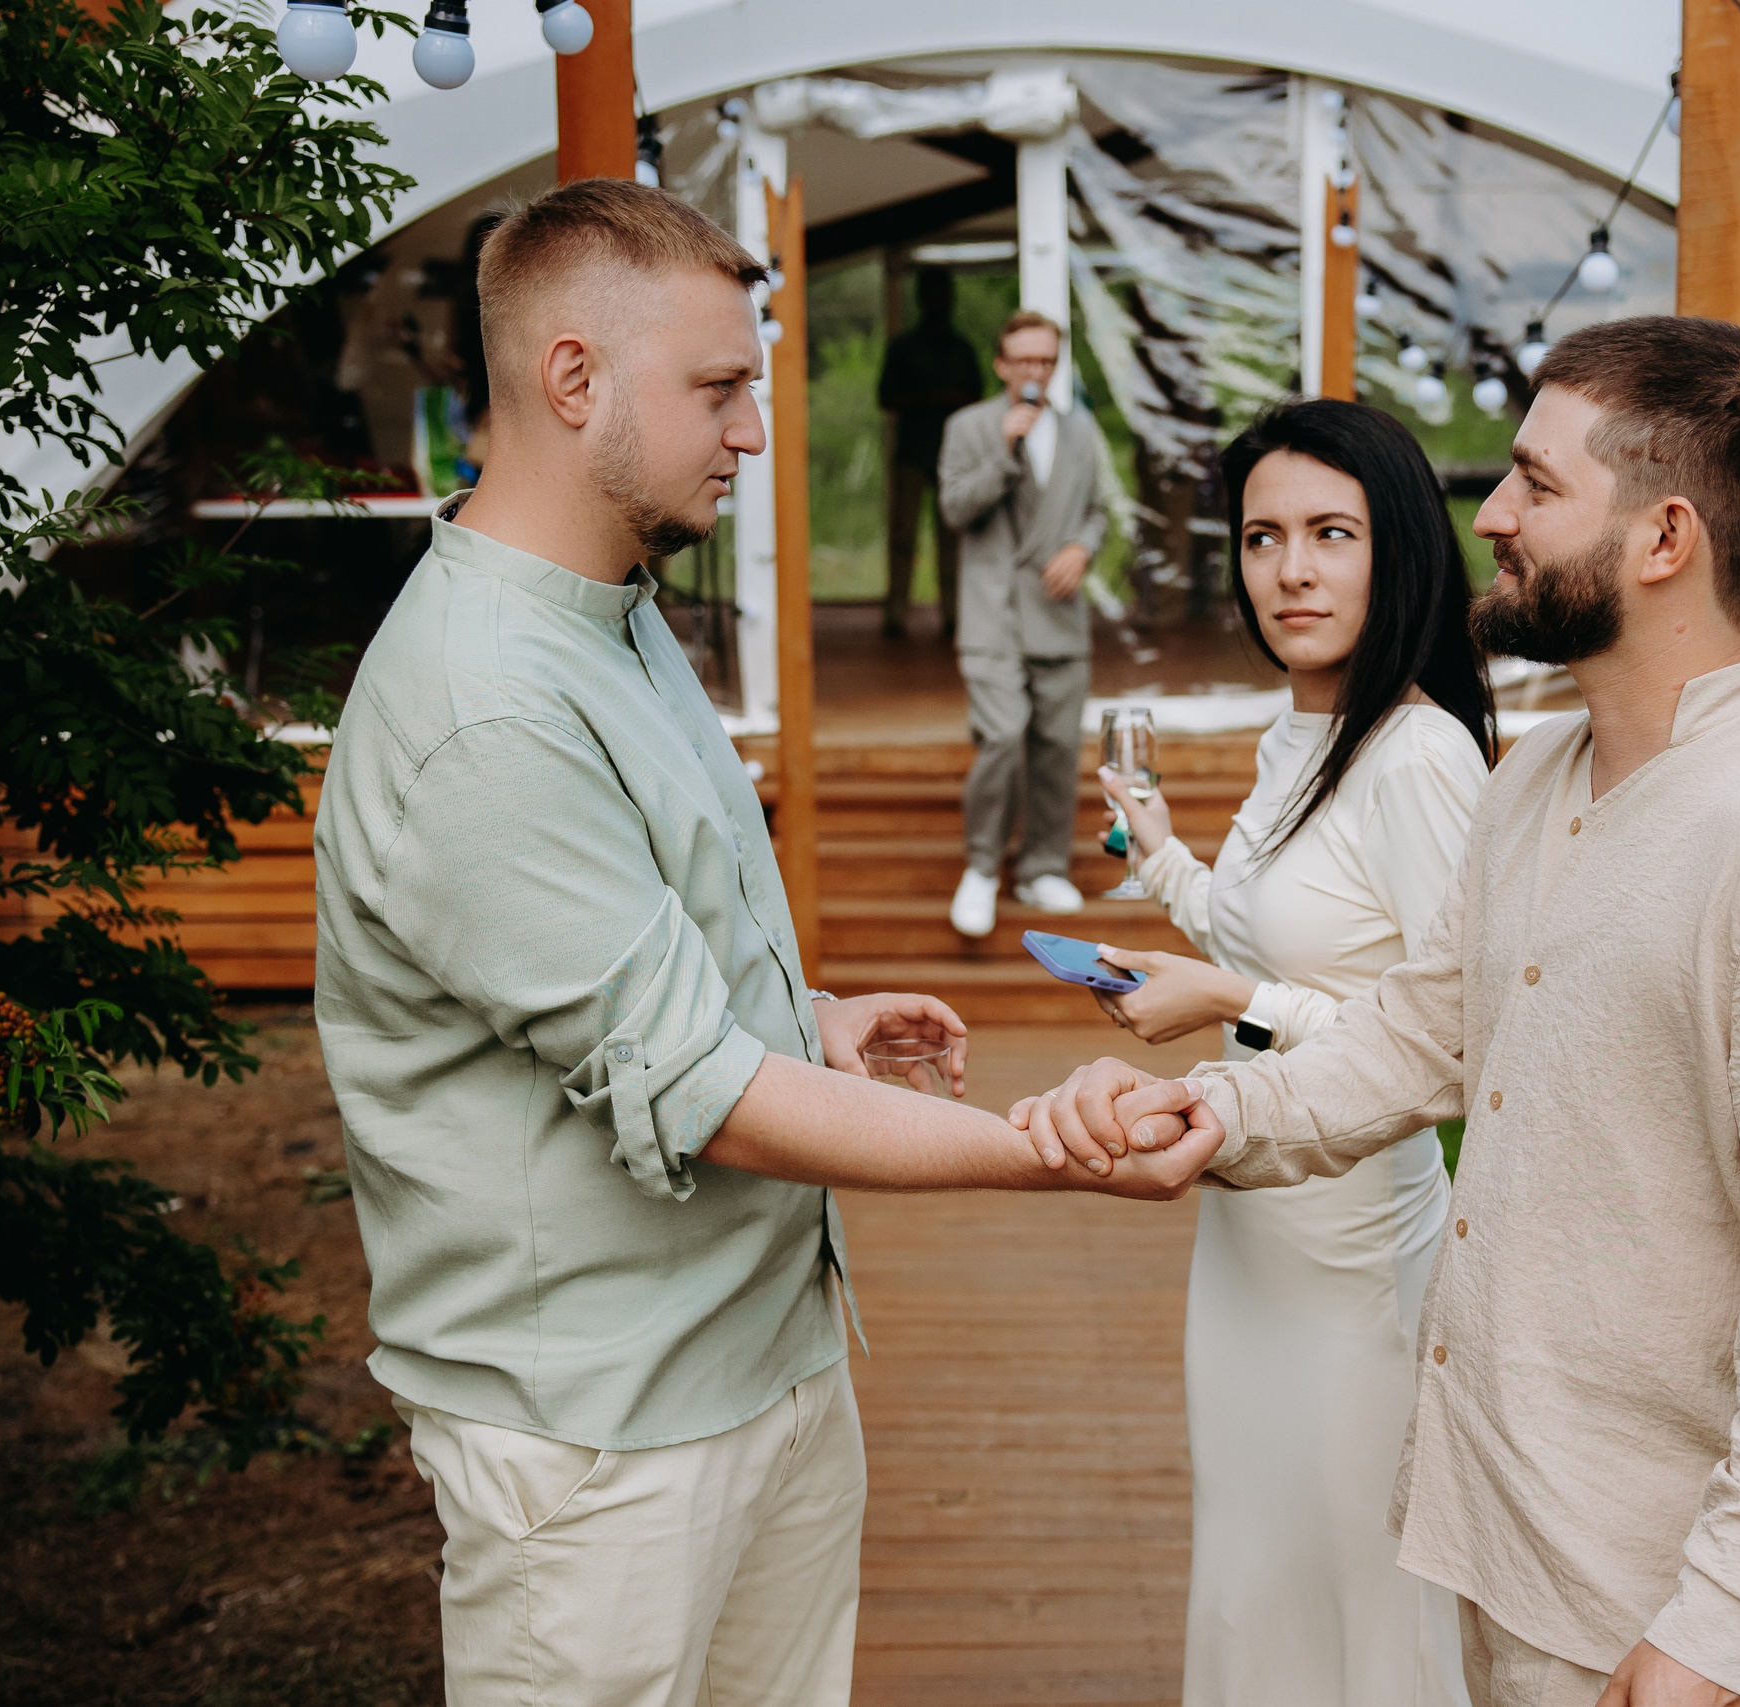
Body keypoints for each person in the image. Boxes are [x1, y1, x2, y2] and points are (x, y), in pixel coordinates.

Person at [311, 180, 1218, 1707]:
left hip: (770, 1361)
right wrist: (1048, 1151)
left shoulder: (614, 605)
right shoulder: (483, 705)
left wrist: (808, 1009)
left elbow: (640, 955)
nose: (751, 432)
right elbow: (708, 1097)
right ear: (573, 378)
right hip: (603, 1443)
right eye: (719, 389)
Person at [1019, 317, 1740, 1707]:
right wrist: (1210, 1111)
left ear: (1664, 537)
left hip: (1660, 1600)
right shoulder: (1537, 781)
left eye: (1535, 484)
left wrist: (1732, 1625)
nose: (1491, 516)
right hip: (1496, 1531)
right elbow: (1416, 1032)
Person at [1084, 399, 1489, 1707]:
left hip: (1353, 1253)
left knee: (1360, 1590)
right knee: (1256, 1567)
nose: (1291, 569)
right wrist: (1161, 857)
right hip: (1250, 1240)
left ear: (1400, 550)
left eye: (1331, 532)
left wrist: (1230, 998)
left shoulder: (1418, 753)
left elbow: (1465, 1033)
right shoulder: (1299, 728)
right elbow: (1281, 942)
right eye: (1263, 537)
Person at [939, 309, 1112, 937]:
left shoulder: (1081, 431)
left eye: (1046, 360)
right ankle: (983, 867)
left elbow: (1097, 512)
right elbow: (956, 508)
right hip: (993, 613)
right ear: (1002, 365)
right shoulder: (969, 427)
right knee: (1005, 734)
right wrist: (1006, 451)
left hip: (1059, 612)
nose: (1036, 371)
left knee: (1056, 748)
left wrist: (1082, 549)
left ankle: (1043, 867)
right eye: (1025, 360)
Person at [875, 266, 983, 639]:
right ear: (923, 298)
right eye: (934, 293)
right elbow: (886, 397)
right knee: (903, 535)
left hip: (954, 457)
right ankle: (896, 614)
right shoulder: (904, 347)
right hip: (913, 452)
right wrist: (933, 400)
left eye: (945, 294)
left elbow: (978, 397)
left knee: (952, 537)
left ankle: (954, 616)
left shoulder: (962, 348)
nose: (941, 301)